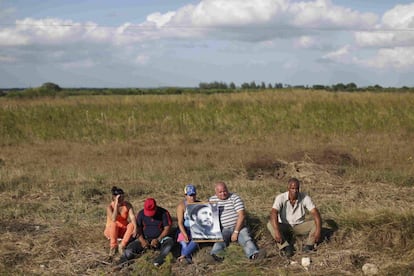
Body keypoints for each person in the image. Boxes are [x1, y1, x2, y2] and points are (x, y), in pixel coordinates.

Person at [267, 177, 322, 257]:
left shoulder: (305, 197)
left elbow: (315, 213)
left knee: (316, 223)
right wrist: (277, 231)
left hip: (299, 226)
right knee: (270, 224)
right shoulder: (280, 198)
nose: (295, 191)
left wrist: (318, 230)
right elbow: (273, 213)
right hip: (284, 225)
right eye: (292, 188)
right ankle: (285, 247)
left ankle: (309, 246)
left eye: (297, 188)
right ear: (288, 188)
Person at [209, 181, 261, 261]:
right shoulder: (212, 200)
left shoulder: (234, 198)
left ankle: (254, 254)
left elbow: (241, 215)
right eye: (220, 192)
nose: (223, 193)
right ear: (216, 192)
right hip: (224, 229)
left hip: (239, 227)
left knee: (246, 239)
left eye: (224, 191)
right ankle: (216, 255)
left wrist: (236, 232)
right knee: (219, 241)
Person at [119, 198, 174, 266]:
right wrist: (142, 240)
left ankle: (158, 261)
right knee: (130, 248)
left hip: (161, 239)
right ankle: (122, 262)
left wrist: (158, 239)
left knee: (169, 243)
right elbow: (138, 229)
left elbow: (167, 228)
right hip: (145, 238)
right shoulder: (141, 214)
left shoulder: (164, 213)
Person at [104, 186, 137, 256]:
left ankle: (122, 245)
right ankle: (113, 246)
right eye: (119, 197)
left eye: (122, 197)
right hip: (112, 230)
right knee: (114, 224)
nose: (121, 199)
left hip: (123, 229)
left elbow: (132, 217)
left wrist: (135, 227)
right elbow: (113, 218)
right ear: (114, 197)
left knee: (131, 224)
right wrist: (116, 204)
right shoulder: (110, 207)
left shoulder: (127, 205)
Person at [176, 184, 200, 264]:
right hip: (184, 228)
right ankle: (187, 258)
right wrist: (184, 233)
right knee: (184, 242)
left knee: (196, 239)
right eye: (190, 195)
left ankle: (183, 256)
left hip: (196, 229)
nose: (192, 197)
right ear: (185, 195)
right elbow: (180, 222)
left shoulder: (200, 204)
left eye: (194, 195)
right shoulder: (181, 206)